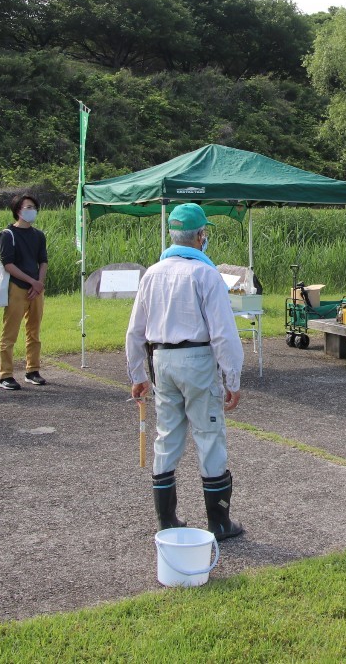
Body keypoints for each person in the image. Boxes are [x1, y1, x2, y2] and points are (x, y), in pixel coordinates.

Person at [126, 203, 246, 540]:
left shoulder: (152, 273)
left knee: (167, 436)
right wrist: (233, 378)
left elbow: (135, 331)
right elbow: (224, 333)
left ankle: (166, 520)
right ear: (200, 236)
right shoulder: (206, 274)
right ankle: (219, 523)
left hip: (162, 360)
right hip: (198, 359)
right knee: (209, 437)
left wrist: (138, 375)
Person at [0, 194, 49, 390]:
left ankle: (32, 370)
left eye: (34, 207)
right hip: (17, 287)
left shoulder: (38, 235)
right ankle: (5, 375)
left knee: (34, 331)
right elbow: (8, 264)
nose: (32, 210)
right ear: (18, 210)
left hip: (36, 290)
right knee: (9, 333)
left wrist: (39, 283)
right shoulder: (7, 234)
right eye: (28, 207)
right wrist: (31, 282)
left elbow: (43, 261)